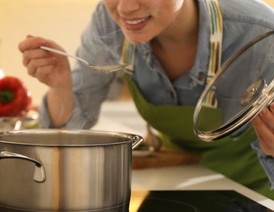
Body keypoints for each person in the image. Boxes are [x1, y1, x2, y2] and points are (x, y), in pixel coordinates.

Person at [18, 0, 274, 199]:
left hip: (256, 194)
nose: (126, 8)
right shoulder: (108, 25)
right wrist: (61, 86)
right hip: (176, 183)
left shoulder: (262, 35)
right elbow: (67, 136)